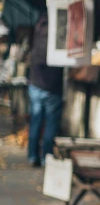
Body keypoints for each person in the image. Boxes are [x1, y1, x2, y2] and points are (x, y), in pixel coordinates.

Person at [27, 14, 63, 167]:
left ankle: (33, 156)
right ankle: (46, 157)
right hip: (51, 88)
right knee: (50, 123)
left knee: (36, 121)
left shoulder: (38, 32)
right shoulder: (57, 40)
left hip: (35, 85)